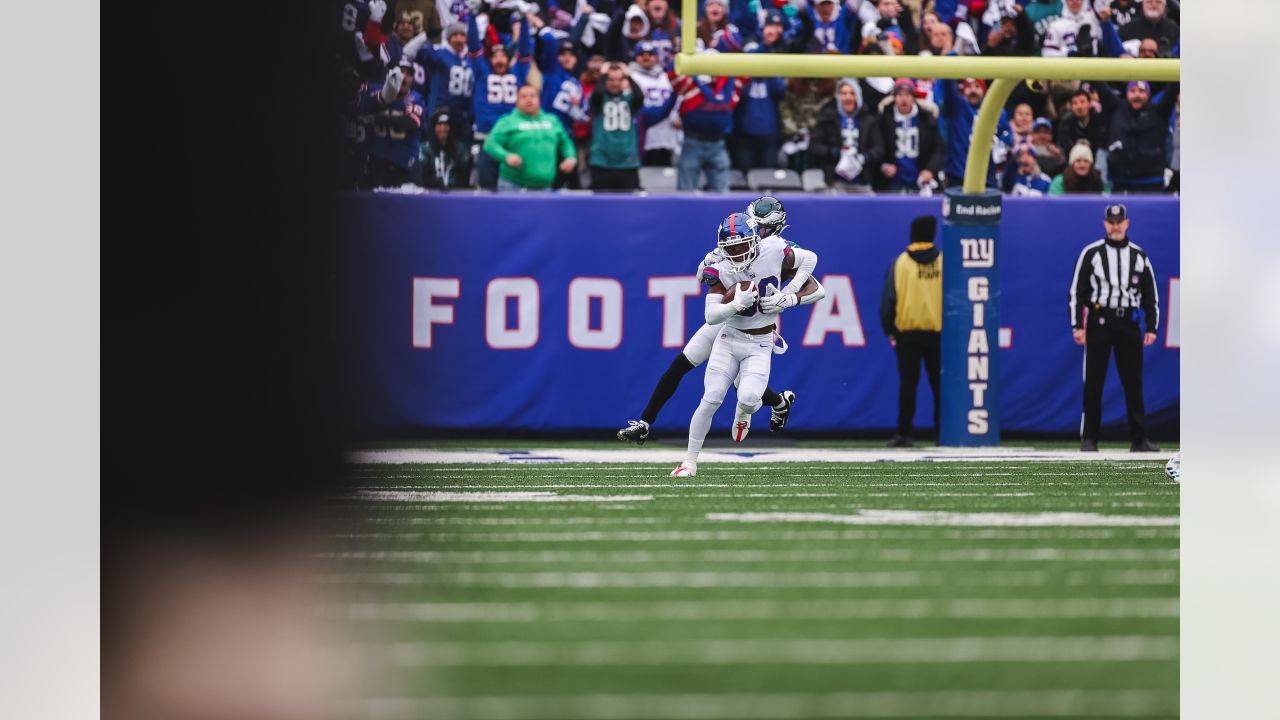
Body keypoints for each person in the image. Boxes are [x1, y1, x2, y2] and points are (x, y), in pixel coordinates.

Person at [617, 197, 814, 445]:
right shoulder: (736, 241)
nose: (758, 231)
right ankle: (645, 423)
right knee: (683, 363)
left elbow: (816, 288)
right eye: (755, 224)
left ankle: (771, 404)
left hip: (754, 321)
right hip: (727, 317)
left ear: (776, 228)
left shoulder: (779, 250)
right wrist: (713, 260)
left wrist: (789, 297)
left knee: (743, 385)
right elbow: (702, 274)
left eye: (763, 228)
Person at [671, 212, 826, 477]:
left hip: (761, 342)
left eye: (742, 245)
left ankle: (743, 412)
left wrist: (789, 296)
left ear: (755, 239)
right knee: (711, 398)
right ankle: (689, 462)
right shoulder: (719, 267)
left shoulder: (775, 248)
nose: (738, 253)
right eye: (731, 249)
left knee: (750, 398)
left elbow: (810, 259)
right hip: (728, 339)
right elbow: (710, 316)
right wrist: (734, 305)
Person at [1069, 204, 1161, 452]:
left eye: (1120, 221)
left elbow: (1150, 293)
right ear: (1105, 224)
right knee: (1094, 382)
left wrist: (1151, 325)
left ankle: (1139, 439)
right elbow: (1077, 291)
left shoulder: (1139, 255)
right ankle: (1089, 438)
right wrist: (1077, 324)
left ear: (1127, 223)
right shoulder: (1092, 253)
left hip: (1129, 323)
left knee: (1133, 382)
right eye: (1111, 221)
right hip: (1100, 322)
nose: (1116, 225)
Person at [879, 215, 942, 447]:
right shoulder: (944, 262)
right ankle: (943, 432)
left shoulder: (901, 263)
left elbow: (888, 299)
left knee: (908, 386)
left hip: (906, 334)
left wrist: (890, 329)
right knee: (940, 386)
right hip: (938, 335)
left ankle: (905, 433)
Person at [588, 63, 677, 190]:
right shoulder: (598, 101)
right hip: (602, 160)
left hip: (627, 161)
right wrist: (603, 75)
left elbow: (639, 96)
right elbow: (597, 94)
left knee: (627, 203)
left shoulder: (630, 101)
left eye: (619, 80)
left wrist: (628, 76)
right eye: (611, 80)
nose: (615, 84)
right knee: (600, 203)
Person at [470, 13, 533, 189]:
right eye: (495, 55)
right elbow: (474, 48)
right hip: (487, 138)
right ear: (490, 59)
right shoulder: (482, 73)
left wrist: (525, 21)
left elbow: (525, 49)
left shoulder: (518, 72)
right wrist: (473, 17)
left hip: (513, 138)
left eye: (503, 55)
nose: (499, 59)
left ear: (508, 58)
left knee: (514, 187)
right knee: (487, 186)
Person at [672, 42, 744, 191]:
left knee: (723, 193)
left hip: (718, 143)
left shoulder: (729, 85)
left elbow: (748, 66)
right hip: (693, 141)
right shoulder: (692, 82)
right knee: (686, 192)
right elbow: (673, 73)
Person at [483, 84, 578, 190]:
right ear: (517, 101)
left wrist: (570, 157)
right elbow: (490, 143)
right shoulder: (507, 121)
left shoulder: (552, 120)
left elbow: (566, 143)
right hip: (514, 185)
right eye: (524, 97)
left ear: (539, 99)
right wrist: (506, 156)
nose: (529, 100)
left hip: (545, 186)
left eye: (532, 96)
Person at [1096, 79, 1179, 193]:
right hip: (1120, 181)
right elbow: (1098, 84)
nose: (1137, 95)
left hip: (1152, 181)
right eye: (1132, 90)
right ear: (1126, 93)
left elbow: (1174, 87)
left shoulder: (1159, 112)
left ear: (1148, 94)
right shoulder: (1116, 108)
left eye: (1141, 91)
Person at [937, 75, 1012, 189]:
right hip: (958, 176)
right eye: (969, 87)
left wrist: (1004, 143)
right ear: (963, 90)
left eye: (977, 86)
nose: (973, 90)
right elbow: (948, 86)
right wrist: (951, 60)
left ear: (984, 90)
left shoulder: (998, 111)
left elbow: (1008, 137)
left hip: (987, 177)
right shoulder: (957, 106)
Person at [811, 78, 885, 192]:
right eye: (844, 93)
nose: (848, 97)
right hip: (835, 182)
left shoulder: (869, 120)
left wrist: (863, 158)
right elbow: (815, 146)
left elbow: (879, 149)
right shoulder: (828, 118)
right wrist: (835, 152)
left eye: (852, 93)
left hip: (862, 181)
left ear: (858, 97)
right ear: (838, 97)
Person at [359, 63, 427, 187]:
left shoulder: (415, 98)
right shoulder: (373, 91)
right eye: (401, 71)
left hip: (405, 163)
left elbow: (412, 122)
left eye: (409, 73)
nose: (404, 77)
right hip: (378, 162)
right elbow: (361, 110)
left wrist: (377, 118)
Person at [876, 78, 944, 194]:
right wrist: (883, 166)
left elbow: (939, 148)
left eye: (907, 95)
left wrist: (930, 170)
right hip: (892, 183)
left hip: (920, 181)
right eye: (899, 95)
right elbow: (877, 146)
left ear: (913, 97)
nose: (904, 99)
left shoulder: (926, 119)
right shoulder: (884, 119)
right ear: (894, 98)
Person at [628, 41, 680, 167]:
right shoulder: (631, 77)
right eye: (642, 54)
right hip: (644, 131)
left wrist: (677, 116)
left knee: (664, 170)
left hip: (667, 130)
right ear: (635, 57)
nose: (646, 57)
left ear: (656, 57)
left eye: (650, 54)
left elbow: (677, 98)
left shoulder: (665, 76)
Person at [421, 108, 474, 188]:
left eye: (446, 124)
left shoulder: (460, 148)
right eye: (439, 124)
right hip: (431, 193)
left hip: (455, 193)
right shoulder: (425, 148)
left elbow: (465, 173)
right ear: (434, 128)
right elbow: (422, 174)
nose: (443, 128)